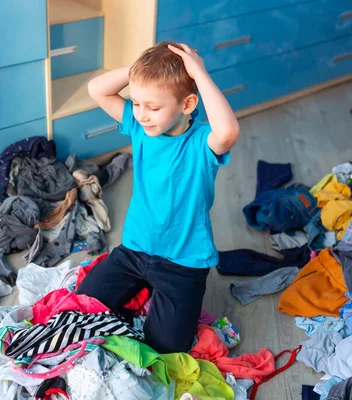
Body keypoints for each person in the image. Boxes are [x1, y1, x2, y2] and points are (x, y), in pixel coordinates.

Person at [76, 42, 240, 353]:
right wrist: (141, 72)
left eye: (153, 107)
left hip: (183, 262)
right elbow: (97, 89)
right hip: (135, 249)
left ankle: (155, 297)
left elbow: (229, 132)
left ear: (188, 104)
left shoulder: (203, 142)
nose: (141, 115)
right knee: (83, 306)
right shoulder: (140, 127)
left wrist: (198, 73)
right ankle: (144, 292)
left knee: (165, 346)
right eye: (136, 103)